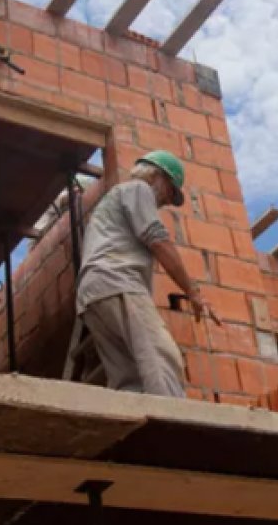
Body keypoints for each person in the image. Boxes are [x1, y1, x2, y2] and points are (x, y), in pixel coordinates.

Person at [75, 150, 221, 398]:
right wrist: (194, 293)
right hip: (118, 281)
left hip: (91, 294)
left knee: (129, 377)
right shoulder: (138, 190)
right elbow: (158, 240)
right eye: (170, 192)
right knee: (162, 358)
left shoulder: (112, 202)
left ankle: (140, 433)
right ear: (156, 176)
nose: (166, 201)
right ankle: (175, 426)